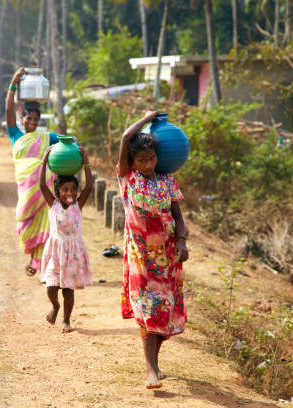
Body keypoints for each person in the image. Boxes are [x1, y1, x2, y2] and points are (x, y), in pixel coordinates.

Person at [116, 110, 189, 389]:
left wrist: (182, 242)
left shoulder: (167, 180)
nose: (148, 164)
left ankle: (156, 364)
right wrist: (147, 118)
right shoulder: (127, 178)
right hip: (140, 256)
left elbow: (178, 215)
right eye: (142, 160)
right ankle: (150, 369)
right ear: (132, 162)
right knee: (147, 308)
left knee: (163, 308)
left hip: (168, 255)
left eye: (152, 158)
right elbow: (125, 136)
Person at [6, 67, 61, 276]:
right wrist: (13, 84)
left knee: (44, 221)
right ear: (23, 118)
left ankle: (38, 263)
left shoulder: (47, 137)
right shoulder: (15, 135)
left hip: (43, 186)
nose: (31, 123)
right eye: (28, 119)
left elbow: (69, 142)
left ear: (39, 122)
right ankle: (35, 258)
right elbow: (8, 111)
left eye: (35, 121)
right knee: (25, 222)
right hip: (27, 188)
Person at [38, 146, 93, 333]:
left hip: (73, 255)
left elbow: (90, 186)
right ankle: (55, 305)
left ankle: (66, 320)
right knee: (51, 288)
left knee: (68, 290)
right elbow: (42, 185)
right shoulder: (52, 205)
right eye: (65, 189)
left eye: (73, 189)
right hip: (55, 252)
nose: (70, 193)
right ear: (57, 191)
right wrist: (44, 160)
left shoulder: (78, 205)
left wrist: (86, 162)